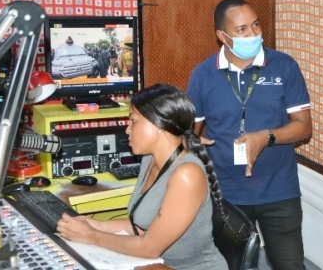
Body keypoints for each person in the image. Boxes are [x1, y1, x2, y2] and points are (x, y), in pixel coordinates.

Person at [187, 0, 313, 269]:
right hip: (226, 194)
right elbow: (190, 133)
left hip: (279, 191)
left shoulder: (284, 66)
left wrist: (265, 137)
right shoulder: (203, 75)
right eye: (242, 30)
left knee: (290, 264)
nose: (254, 34)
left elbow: (303, 126)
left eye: (256, 25)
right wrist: (192, 141)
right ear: (222, 36)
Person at [57, 83, 229, 270]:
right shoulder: (149, 160)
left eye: (133, 120)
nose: (127, 130)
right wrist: (97, 225)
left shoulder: (187, 175)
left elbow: (149, 248)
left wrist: (91, 235)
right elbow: (144, 226)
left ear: (159, 124)